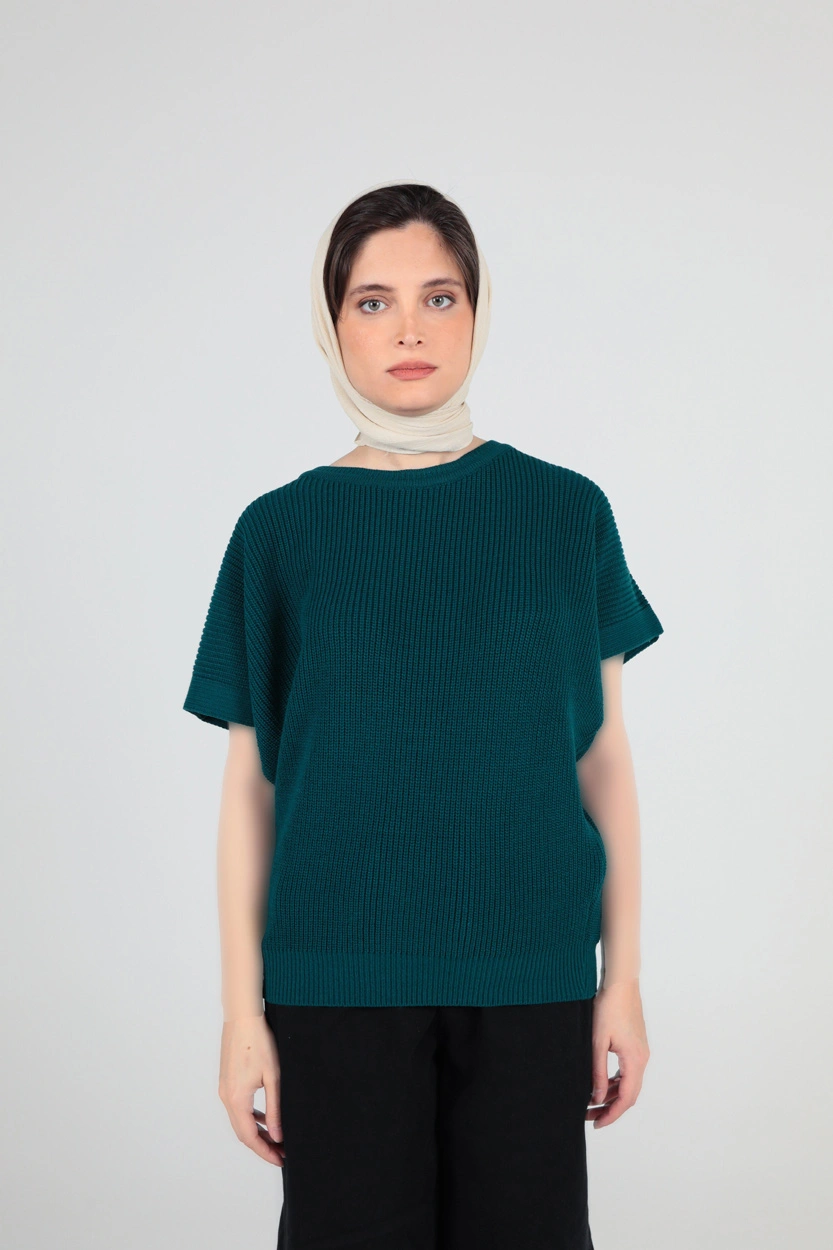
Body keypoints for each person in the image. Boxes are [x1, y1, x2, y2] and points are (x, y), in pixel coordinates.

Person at [183, 179, 664, 1250]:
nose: (409, 328)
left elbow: (602, 758)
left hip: (531, 972)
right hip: (334, 983)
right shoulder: (278, 533)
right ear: (331, 322)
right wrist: (241, 1013)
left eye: (439, 297)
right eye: (373, 301)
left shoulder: (564, 512)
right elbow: (250, 790)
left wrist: (621, 980)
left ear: (477, 312)